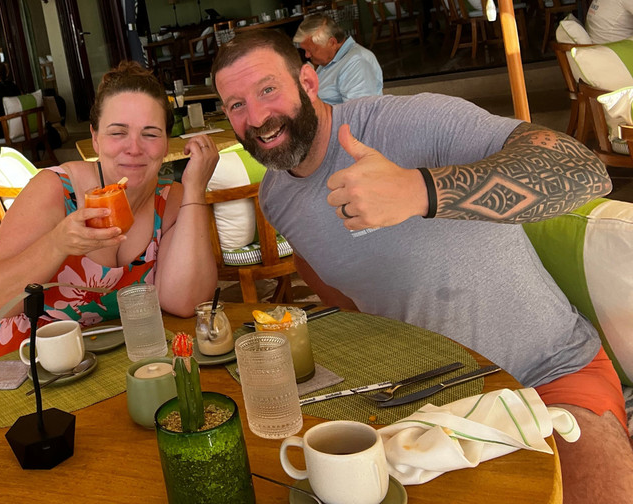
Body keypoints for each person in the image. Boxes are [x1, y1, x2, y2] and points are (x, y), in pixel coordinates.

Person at [211, 29, 631, 503]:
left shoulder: (407, 122)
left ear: (308, 82)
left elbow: (583, 171)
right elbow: (321, 268)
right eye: (236, 105)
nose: (257, 118)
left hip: (548, 375)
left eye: (268, 89)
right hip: (422, 405)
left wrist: (420, 190)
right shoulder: (277, 197)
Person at [0, 61, 219, 370]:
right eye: (118, 132)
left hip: (111, 368)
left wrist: (195, 190)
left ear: (167, 142)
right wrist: (58, 243)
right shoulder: (55, 189)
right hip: (21, 360)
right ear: (95, 138)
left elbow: (184, 303)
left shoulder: (172, 200)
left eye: (151, 134)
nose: (134, 148)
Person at [292, 14, 383, 104]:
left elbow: (358, 111)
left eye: (310, 50)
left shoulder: (356, 63)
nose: (307, 55)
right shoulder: (329, 60)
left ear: (332, 43)